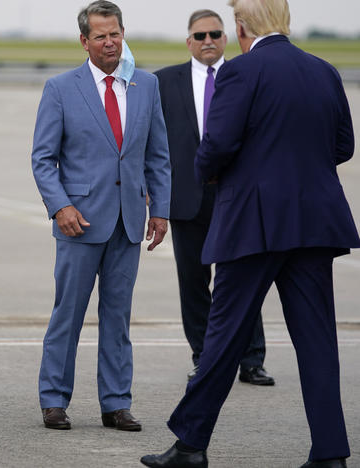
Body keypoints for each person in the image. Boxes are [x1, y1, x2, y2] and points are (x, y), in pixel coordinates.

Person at [141, 0, 358, 466]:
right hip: (314, 224)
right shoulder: (324, 70)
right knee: (318, 340)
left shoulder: (240, 72)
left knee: (222, 336)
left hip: (253, 223)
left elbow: (215, 145)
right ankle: (331, 454)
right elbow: (344, 145)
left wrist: (214, 175)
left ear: (241, 26)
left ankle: (191, 446)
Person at [32, 0, 170, 431]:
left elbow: (157, 156)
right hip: (79, 222)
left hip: (129, 222)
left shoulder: (146, 85)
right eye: (100, 36)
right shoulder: (60, 88)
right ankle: (53, 400)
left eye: (115, 33)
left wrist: (160, 210)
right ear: (84, 41)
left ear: (122, 34)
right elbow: (42, 159)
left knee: (118, 317)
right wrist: (60, 207)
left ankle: (115, 403)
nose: (109, 42)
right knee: (67, 315)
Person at [154, 9, 273, 386]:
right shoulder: (163, 82)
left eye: (215, 34)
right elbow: (153, 143)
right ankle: (204, 357)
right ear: (188, 41)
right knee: (193, 282)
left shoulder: (247, 75)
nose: (208, 41)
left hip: (238, 196)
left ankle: (251, 359)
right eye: (200, 35)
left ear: (227, 38)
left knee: (242, 278)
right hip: (187, 198)